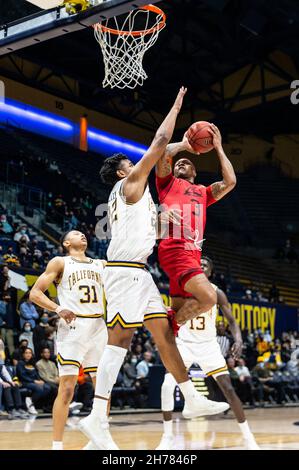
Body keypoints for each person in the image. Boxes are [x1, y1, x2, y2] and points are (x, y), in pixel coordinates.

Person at [79, 88, 228, 450]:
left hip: (139, 274)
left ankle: (191, 399)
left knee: (164, 333)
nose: (136, 164)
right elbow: (160, 142)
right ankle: (97, 417)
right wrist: (176, 109)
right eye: (130, 162)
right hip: (124, 273)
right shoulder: (128, 183)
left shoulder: (137, 197)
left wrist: (163, 220)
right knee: (120, 341)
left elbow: (148, 227)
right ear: (120, 170)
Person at [157, 256, 258, 450]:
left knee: (228, 389)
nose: (201, 266)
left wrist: (238, 339)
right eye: (199, 263)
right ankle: (167, 437)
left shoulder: (217, 292)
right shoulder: (183, 287)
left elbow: (232, 321)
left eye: (205, 265)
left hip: (208, 345)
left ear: (210, 272)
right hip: (184, 344)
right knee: (166, 386)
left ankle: (248, 437)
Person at [30, 230, 108, 450]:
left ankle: (98, 440)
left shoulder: (101, 264)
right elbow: (35, 293)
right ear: (66, 242)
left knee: (104, 386)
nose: (82, 236)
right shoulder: (60, 262)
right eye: (76, 234)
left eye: (84, 234)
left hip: (98, 326)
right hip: (73, 326)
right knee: (66, 388)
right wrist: (58, 307)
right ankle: (57, 444)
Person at [155, 124, 236, 329]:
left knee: (179, 311)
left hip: (192, 255)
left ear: (195, 171)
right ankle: (173, 323)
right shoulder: (167, 183)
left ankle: (170, 328)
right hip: (176, 249)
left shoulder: (203, 192)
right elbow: (163, 152)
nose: (181, 162)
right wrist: (183, 145)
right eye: (178, 163)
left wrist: (218, 147)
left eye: (187, 162)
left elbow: (230, 181)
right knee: (209, 298)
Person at [16, 347, 52, 414]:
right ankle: (31, 405)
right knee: (39, 388)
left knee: (47, 387)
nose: (28, 354)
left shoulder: (32, 363)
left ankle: (30, 400)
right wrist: (34, 381)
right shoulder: (20, 363)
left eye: (30, 353)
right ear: (23, 354)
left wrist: (39, 380)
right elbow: (22, 375)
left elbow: (36, 374)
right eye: (26, 353)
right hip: (25, 382)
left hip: (34, 382)